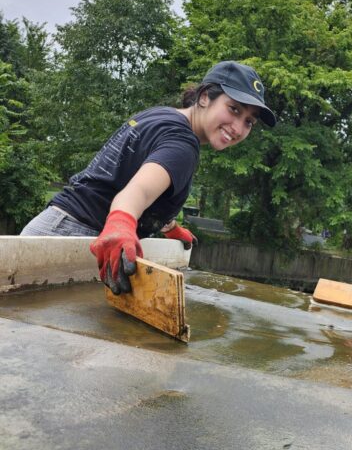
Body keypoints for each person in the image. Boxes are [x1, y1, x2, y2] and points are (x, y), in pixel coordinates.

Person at [22, 61, 276, 294]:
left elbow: (132, 179)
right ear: (205, 97)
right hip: (74, 237)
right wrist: (121, 222)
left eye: (249, 122)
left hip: (54, 227)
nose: (238, 127)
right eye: (233, 109)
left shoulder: (162, 116)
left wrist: (168, 225)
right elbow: (138, 191)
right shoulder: (183, 144)